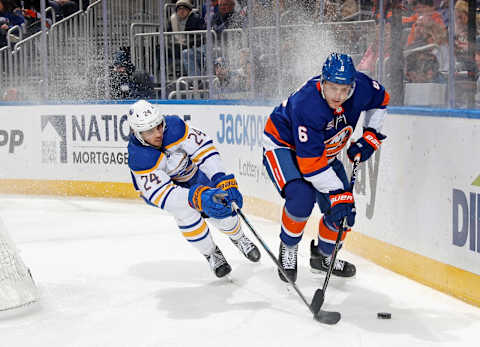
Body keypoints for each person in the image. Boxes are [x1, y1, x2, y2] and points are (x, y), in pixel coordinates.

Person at [262, 52, 389, 283]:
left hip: (321, 153)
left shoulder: (360, 86)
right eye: (333, 88)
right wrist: (339, 193)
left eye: (345, 90)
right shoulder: (307, 104)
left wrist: (371, 135)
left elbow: (381, 99)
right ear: (322, 83)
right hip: (284, 146)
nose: (339, 96)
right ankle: (288, 247)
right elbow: (310, 166)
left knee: (344, 214)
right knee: (301, 197)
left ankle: (322, 257)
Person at [127, 100, 261, 278]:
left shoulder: (174, 127)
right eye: (150, 131)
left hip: (197, 178)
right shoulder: (140, 157)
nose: (158, 133)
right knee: (187, 217)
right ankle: (211, 252)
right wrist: (195, 196)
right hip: (173, 192)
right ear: (137, 133)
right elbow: (162, 194)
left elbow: (203, 150)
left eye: (159, 126)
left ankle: (238, 237)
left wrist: (220, 177)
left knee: (224, 210)